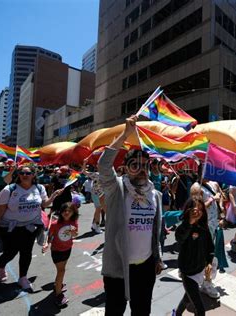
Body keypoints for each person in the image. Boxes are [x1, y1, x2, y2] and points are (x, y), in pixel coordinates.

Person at [98, 114, 164, 316]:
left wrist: (158, 258)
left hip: (145, 268)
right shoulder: (117, 189)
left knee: (142, 312)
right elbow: (103, 165)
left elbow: (155, 233)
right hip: (118, 268)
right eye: (135, 165)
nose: (141, 170)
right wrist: (125, 134)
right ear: (126, 168)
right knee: (115, 312)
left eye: (145, 166)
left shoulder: (156, 195)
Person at [0, 165, 63, 291]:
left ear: (33, 175)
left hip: (31, 227)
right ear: (18, 175)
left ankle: (23, 278)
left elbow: (44, 204)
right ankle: (1, 266)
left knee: (26, 252)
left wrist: (53, 195)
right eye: (22, 173)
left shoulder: (39, 188)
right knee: (10, 252)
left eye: (28, 173)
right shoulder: (9, 189)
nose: (24, 175)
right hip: (10, 228)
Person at [175, 199, 214, 316]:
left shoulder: (204, 228)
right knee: (200, 310)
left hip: (199, 270)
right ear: (188, 211)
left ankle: (176, 313)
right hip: (187, 271)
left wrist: (209, 262)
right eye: (194, 210)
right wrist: (189, 223)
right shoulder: (184, 226)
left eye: (201, 210)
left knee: (187, 298)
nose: (198, 212)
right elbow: (179, 238)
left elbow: (210, 248)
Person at [42, 202, 79, 307]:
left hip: (67, 249)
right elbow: (49, 237)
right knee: (61, 270)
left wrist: (73, 232)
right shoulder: (55, 224)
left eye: (69, 211)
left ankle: (58, 284)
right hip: (57, 250)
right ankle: (58, 294)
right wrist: (46, 245)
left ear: (73, 212)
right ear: (61, 212)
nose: (66, 213)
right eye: (64, 211)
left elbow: (76, 234)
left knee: (61, 269)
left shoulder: (73, 222)